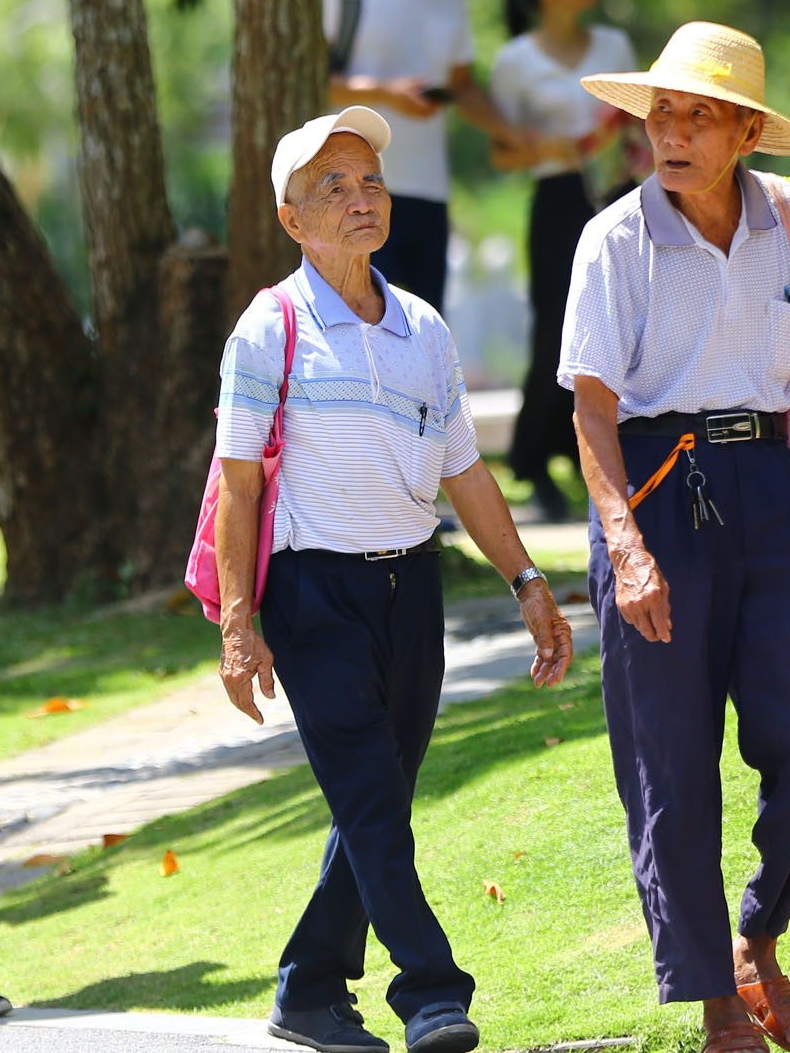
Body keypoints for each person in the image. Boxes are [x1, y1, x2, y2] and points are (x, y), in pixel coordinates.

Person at [213, 107, 576, 1053]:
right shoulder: (269, 326)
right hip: (309, 592)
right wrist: (239, 623)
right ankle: (431, 992)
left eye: (369, 179)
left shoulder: (422, 326)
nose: (360, 197)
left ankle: (306, 988)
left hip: (411, 588)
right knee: (372, 796)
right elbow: (240, 486)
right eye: (332, 185)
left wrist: (527, 579)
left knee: (375, 795)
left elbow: (465, 470)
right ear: (292, 219)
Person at [558, 24, 790, 1053]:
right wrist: (625, 545)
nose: (671, 131)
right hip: (654, 487)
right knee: (672, 763)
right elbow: (590, 413)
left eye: (696, 115)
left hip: (770, 486)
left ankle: (757, 935)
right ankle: (715, 1002)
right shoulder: (614, 240)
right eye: (660, 113)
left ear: (743, 131)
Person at [324, 0, 531, 313]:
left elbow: (461, 85)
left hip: (428, 193)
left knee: (420, 331)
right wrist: (385, 94)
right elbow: (307, 83)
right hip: (350, 193)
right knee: (360, 333)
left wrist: (511, 134)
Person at [486, 0, 637, 521]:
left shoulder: (614, 42)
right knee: (557, 323)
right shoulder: (515, 61)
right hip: (556, 199)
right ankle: (533, 457)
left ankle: (600, 451)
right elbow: (501, 154)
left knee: (623, 318)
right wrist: (552, 146)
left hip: (619, 192)